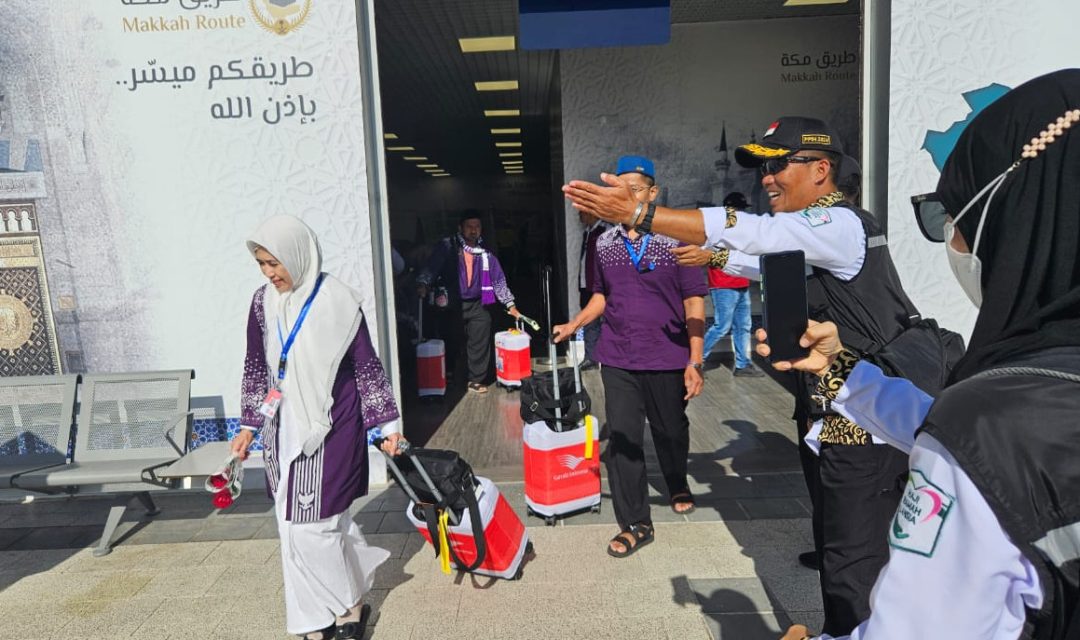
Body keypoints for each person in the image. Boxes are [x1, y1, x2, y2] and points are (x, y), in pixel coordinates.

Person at [563, 120, 917, 635]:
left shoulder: (838, 223)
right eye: (763, 168)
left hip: (868, 419)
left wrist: (643, 214)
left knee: (857, 563)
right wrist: (718, 256)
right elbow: (768, 259)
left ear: (822, 170)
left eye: (778, 166)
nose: (767, 179)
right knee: (837, 537)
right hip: (838, 408)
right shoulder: (815, 231)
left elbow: (760, 235)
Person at [767, 68, 1080, 640]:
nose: (951, 244)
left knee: (850, 554)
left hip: (865, 436)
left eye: (950, 217)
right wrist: (843, 373)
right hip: (856, 395)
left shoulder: (995, 419)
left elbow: (917, 628)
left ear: (1017, 218)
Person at [231, 215, 403, 640]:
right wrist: (249, 426)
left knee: (315, 527)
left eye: (275, 263)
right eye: (262, 264)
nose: (271, 273)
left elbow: (366, 367)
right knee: (292, 526)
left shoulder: (338, 300)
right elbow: (256, 366)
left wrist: (385, 425)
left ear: (297, 254)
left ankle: (350, 606)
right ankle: (312, 618)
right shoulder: (261, 303)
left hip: (332, 425)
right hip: (280, 427)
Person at [553, 155, 707, 558]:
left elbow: (694, 301)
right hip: (618, 355)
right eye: (618, 191)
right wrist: (576, 324)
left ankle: (676, 480)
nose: (626, 197)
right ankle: (636, 523)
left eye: (635, 189)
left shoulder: (678, 239)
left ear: (653, 193)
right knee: (623, 439)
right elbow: (602, 296)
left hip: (669, 356)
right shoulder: (603, 243)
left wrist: (695, 360)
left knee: (670, 429)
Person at [416, 210, 521, 393]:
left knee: (480, 337)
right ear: (460, 228)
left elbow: (498, 279)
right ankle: (450, 375)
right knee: (453, 340)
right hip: (453, 303)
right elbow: (432, 266)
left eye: (477, 227)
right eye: (469, 227)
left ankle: (475, 379)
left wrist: (510, 304)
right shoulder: (448, 246)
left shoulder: (486, 251)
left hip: (478, 303)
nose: (473, 231)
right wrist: (424, 283)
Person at [700, 192, 763, 377]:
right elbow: (705, 252)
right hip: (723, 284)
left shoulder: (743, 229)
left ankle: (743, 365)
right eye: (740, 209)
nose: (742, 213)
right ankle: (695, 361)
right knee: (722, 326)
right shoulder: (715, 229)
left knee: (743, 326)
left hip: (741, 282)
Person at [577, 210, 612, 369]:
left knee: (608, 321)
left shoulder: (606, 230)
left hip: (602, 286)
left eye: (582, 213)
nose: (579, 217)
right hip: (586, 285)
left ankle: (609, 358)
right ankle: (591, 357)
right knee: (589, 322)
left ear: (591, 214)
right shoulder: (588, 232)